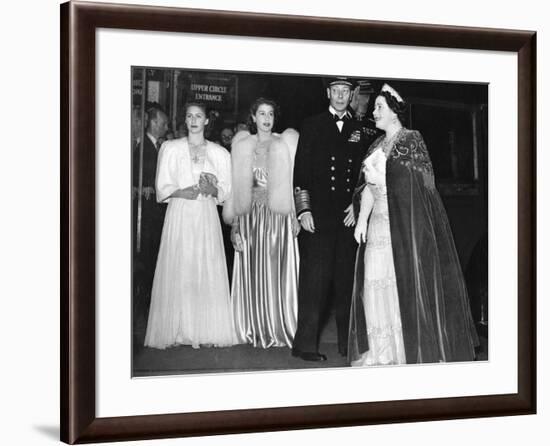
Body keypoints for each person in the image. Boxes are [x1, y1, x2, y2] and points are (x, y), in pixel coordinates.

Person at [349, 84, 479, 365]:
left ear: (394, 112)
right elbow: (368, 188)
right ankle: (381, 349)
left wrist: (413, 223)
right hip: (377, 227)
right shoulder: (374, 145)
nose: (373, 112)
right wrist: (361, 221)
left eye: (379, 107)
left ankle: (404, 349)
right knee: (374, 282)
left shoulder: (411, 140)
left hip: (403, 227)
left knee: (400, 284)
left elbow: (421, 188)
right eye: (373, 108)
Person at [144, 102, 236, 349]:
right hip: (180, 214)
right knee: (180, 267)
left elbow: (226, 191)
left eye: (199, 116)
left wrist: (213, 189)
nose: (194, 120)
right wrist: (179, 192)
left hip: (205, 215)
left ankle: (205, 330)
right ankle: (177, 330)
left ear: (207, 121)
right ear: (185, 120)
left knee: (204, 266)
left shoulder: (220, 153)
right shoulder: (171, 148)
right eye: (189, 116)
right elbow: (162, 186)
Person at [292, 77, 371, 361]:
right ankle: (304, 346)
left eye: (345, 91)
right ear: (328, 93)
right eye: (335, 90)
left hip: (347, 219)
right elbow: (300, 172)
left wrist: (358, 205)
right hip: (319, 217)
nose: (340, 96)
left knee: (346, 282)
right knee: (315, 283)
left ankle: (347, 344)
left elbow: (365, 176)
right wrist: (304, 211)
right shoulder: (312, 125)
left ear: (351, 95)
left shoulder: (360, 130)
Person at [223, 98, 300, 348]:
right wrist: (235, 223)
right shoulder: (242, 145)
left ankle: (278, 327)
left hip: (277, 216)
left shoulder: (285, 143)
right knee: (252, 271)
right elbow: (236, 187)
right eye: (262, 114)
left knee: (277, 272)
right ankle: (253, 327)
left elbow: (292, 183)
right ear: (253, 117)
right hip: (250, 216)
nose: (267, 119)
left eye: (270, 114)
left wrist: (295, 214)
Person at [132, 106, 168, 327]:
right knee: (147, 262)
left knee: (152, 262)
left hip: (154, 216)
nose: (166, 127)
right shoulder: (144, 149)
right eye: (163, 123)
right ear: (153, 123)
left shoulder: (156, 147)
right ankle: (142, 311)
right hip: (147, 218)